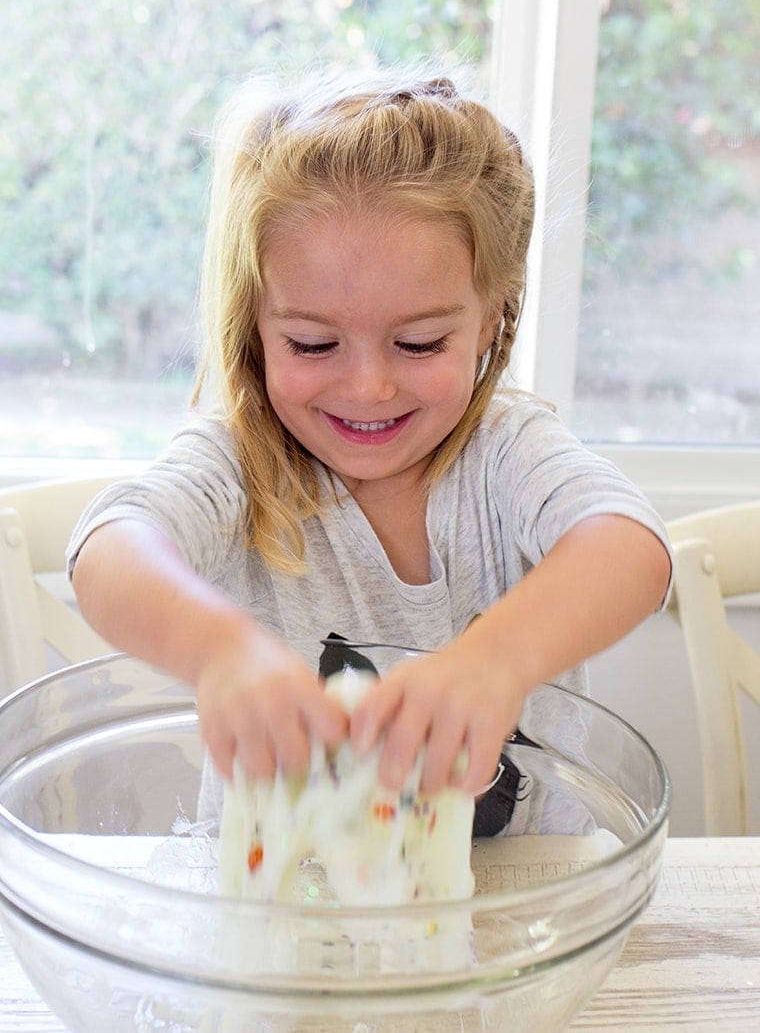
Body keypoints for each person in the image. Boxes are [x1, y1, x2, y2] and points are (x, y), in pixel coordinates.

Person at [67, 67, 672, 813]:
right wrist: (219, 651)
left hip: (517, 909)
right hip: (279, 904)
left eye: (418, 343)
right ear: (255, 325)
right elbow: (108, 550)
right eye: (314, 345)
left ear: (491, 318)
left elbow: (630, 548)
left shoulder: (506, 455)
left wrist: (497, 660)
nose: (368, 388)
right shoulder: (239, 462)